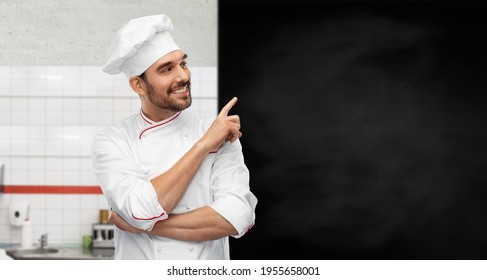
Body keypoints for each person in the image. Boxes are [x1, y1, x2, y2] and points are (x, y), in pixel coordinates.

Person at [92, 14, 257, 260]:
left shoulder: (218, 132)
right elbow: (140, 210)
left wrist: (143, 226)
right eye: (167, 69)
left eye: (183, 63)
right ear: (138, 85)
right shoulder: (113, 141)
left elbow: (237, 216)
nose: (183, 76)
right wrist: (203, 147)